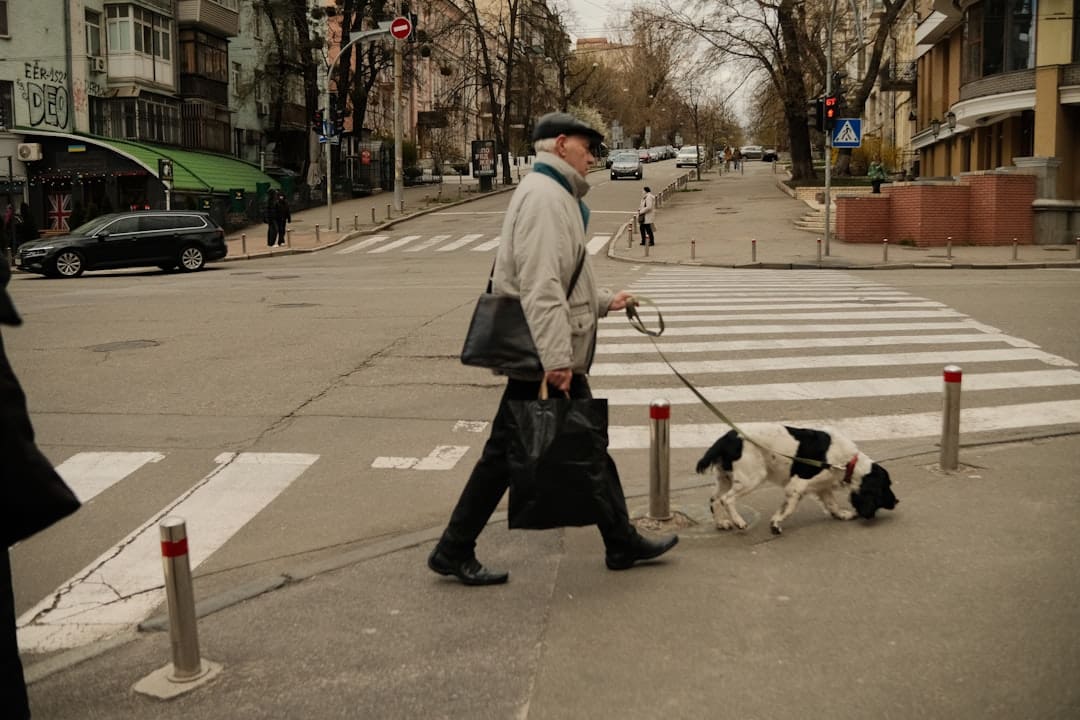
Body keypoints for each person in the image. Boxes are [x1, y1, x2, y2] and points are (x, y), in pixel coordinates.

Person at [428, 111, 678, 586]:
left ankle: (456, 546)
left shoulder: (554, 195)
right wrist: (558, 360)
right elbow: (541, 287)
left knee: (520, 451)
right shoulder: (545, 198)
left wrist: (604, 302)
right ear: (561, 144)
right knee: (574, 445)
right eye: (588, 148)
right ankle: (618, 541)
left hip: (547, 347)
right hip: (546, 353)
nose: (593, 157)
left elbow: (564, 278)